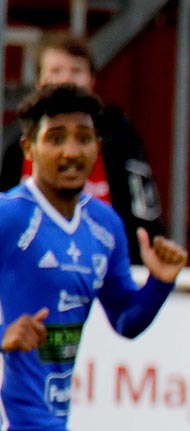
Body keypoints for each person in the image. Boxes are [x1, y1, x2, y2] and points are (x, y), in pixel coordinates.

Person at [0, 84, 186, 431]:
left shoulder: (104, 226)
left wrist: (159, 285)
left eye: (82, 137)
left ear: (98, 146)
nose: (71, 150)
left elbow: (126, 321)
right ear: (30, 148)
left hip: (41, 421)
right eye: (55, 137)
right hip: (20, 428)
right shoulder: (11, 217)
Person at [1, 33, 164, 264]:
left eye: (75, 71)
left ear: (92, 80)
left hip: (103, 266)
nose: (71, 153)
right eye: (56, 71)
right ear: (29, 148)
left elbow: (144, 212)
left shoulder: (119, 138)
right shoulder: (14, 148)